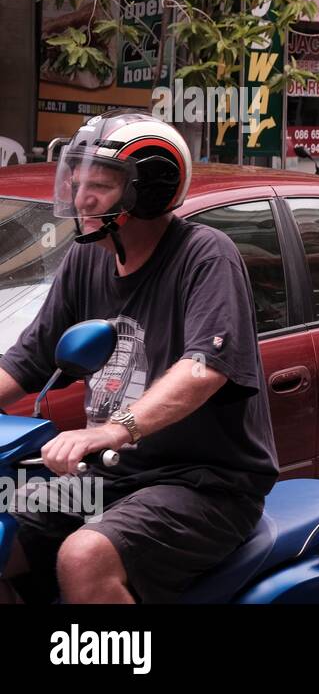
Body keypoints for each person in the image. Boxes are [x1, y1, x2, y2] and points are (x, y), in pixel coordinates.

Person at [0, 110, 278, 604]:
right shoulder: (89, 258)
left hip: (204, 485)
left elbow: (203, 370)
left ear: (149, 191)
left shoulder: (205, 256)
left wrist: (113, 428)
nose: (81, 197)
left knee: (85, 556)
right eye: (79, 179)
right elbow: (27, 360)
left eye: (101, 185)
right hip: (109, 477)